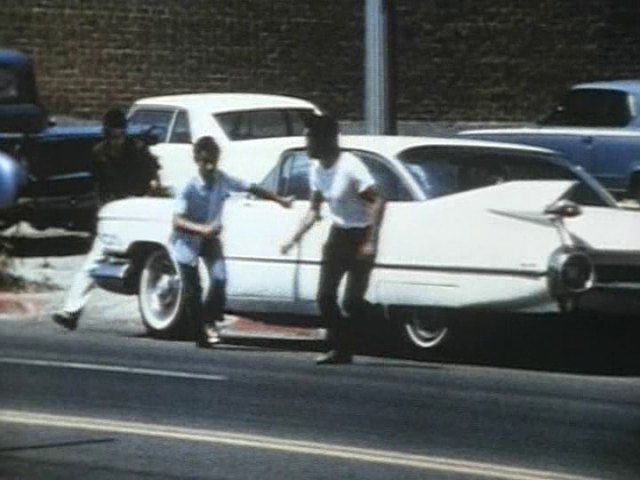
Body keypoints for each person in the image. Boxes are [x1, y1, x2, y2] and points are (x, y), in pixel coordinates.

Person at [281, 114, 385, 365]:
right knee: (324, 298)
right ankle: (342, 347)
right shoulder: (317, 170)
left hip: (361, 235)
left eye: (311, 140)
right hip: (338, 235)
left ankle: (374, 324)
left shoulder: (350, 167)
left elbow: (378, 202)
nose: (307, 146)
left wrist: (371, 242)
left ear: (327, 140)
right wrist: (294, 238)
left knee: (351, 302)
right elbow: (314, 210)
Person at [171, 136, 292, 348]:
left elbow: (251, 187)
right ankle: (199, 332)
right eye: (205, 162)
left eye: (213, 162)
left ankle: (209, 321)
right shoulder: (188, 187)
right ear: (197, 160)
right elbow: (177, 221)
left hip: (210, 240)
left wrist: (279, 200)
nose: (209, 167)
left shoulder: (222, 178)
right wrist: (203, 229)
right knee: (193, 290)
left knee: (220, 279)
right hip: (187, 242)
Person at [52, 108, 160, 330]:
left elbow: (153, 178)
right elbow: (99, 186)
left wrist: (148, 195)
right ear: (106, 133)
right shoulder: (99, 153)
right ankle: (71, 310)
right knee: (95, 259)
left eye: (119, 135)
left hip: (138, 207)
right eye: (111, 135)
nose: (115, 140)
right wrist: (102, 213)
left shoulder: (138, 150)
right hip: (113, 210)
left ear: (124, 132)